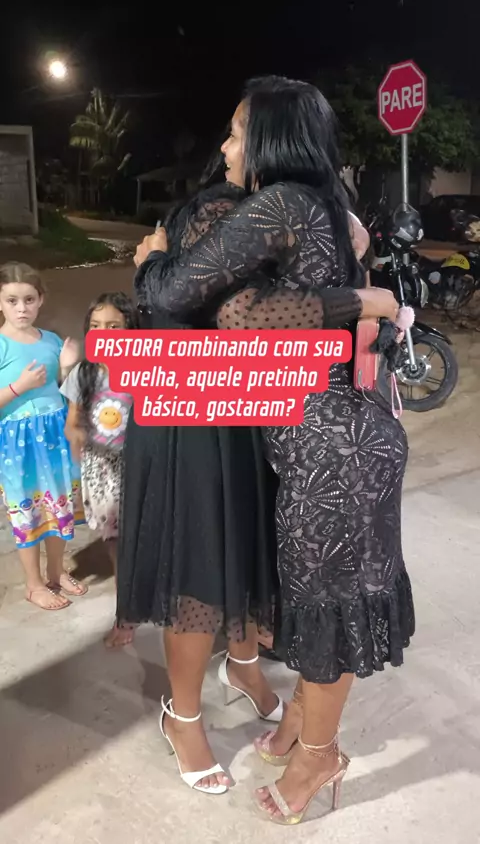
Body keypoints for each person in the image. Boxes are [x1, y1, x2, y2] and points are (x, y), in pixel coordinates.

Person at [134, 75, 413, 824]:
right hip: (343, 438)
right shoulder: (328, 206)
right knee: (326, 605)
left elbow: (192, 299)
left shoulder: (281, 203)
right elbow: (259, 306)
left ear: (270, 139)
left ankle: (320, 756)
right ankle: (298, 726)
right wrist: (362, 297)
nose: (225, 147)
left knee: (329, 612)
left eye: (235, 132)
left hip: (330, 450)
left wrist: (150, 258)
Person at [117, 180, 283, 796]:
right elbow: (178, 304)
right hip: (187, 422)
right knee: (198, 561)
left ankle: (242, 666)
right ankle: (182, 716)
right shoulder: (207, 226)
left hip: (243, 412)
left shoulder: (274, 215)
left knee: (244, 545)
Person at [0, 262, 86, 610]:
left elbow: (63, 388)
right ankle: (34, 585)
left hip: (56, 435)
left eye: (29, 299)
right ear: (0, 302)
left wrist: (66, 368)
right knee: (28, 512)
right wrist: (19, 387)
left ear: (41, 300)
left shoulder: (50, 340)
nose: (21, 308)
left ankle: (55, 571)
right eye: (12, 301)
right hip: (18, 443)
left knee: (59, 505)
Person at [62, 292, 137, 647]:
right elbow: (72, 421)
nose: (103, 333)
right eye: (95, 326)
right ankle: (126, 615)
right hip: (100, 469)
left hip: (135, 466)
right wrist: (75, 436)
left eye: (113, 326)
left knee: (141, 538)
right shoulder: (84, 373)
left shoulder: (144, 371)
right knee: (116, 543)